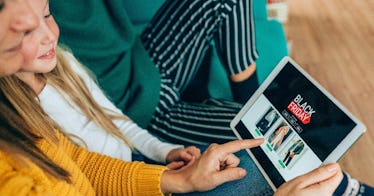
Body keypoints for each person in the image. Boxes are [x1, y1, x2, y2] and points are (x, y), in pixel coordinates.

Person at [1, 0, 373, 195]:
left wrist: (165, 159)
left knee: (266, 150)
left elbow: (108, 125)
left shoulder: (59, 61)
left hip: (139, 88)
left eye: (47, 15)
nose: (48, 35)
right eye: (26, 33)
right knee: (268, 161)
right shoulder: (24, 124)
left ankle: (248, 101)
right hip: (143, 133)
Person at [49, 0, 261, 146]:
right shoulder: (32, 16)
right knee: (266, 135)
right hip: (136, 110)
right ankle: (236, 109)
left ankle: (252, 101)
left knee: (262, 116)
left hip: (140, 62)